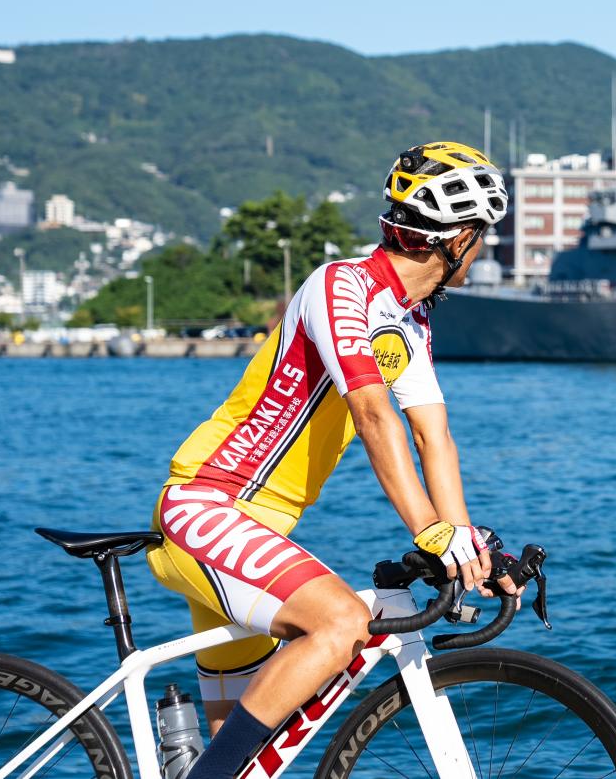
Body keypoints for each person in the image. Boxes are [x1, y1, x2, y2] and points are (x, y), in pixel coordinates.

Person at [146, 141, 517, 779]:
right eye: (479, 236)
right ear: (455, 239)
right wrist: (428, 532)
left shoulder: (409, 320)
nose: (480, 250)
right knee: (340, 620)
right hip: (209, 507)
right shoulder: (341, 287)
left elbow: (434, 436)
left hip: (259, 530)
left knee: (242, 764)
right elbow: (375, 416)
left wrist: (469, 546)